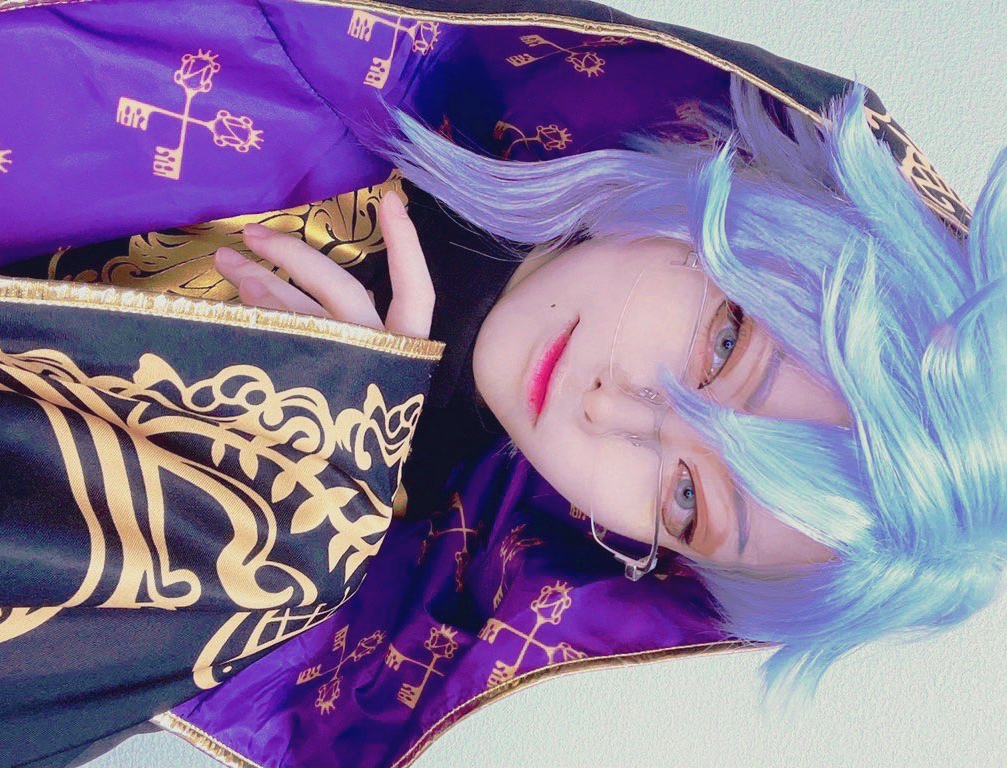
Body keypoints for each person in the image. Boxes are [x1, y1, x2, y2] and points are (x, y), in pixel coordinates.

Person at [214, 74, 1007, 703]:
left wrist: (306, 462)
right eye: (725, 345)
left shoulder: (344, 530)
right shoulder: (403, 66)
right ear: (755, 210)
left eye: (686, 500)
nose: (607, 409)